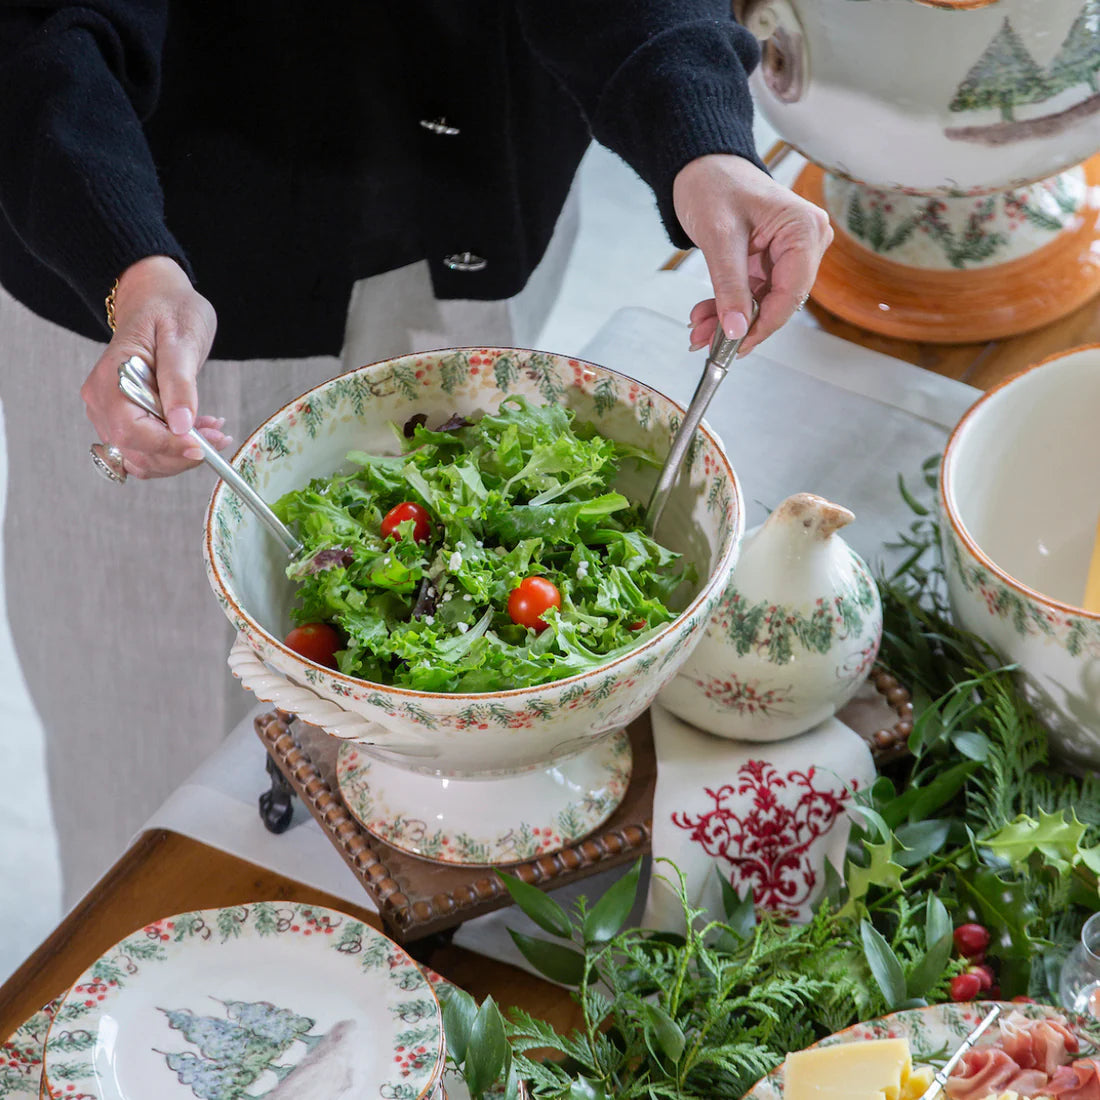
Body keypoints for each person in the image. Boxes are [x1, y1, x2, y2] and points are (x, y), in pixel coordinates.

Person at [0, 1, 831, 903]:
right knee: (152, 735)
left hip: (465, 186)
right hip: (149, 285)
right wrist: (128, 263)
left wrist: (699, 133)